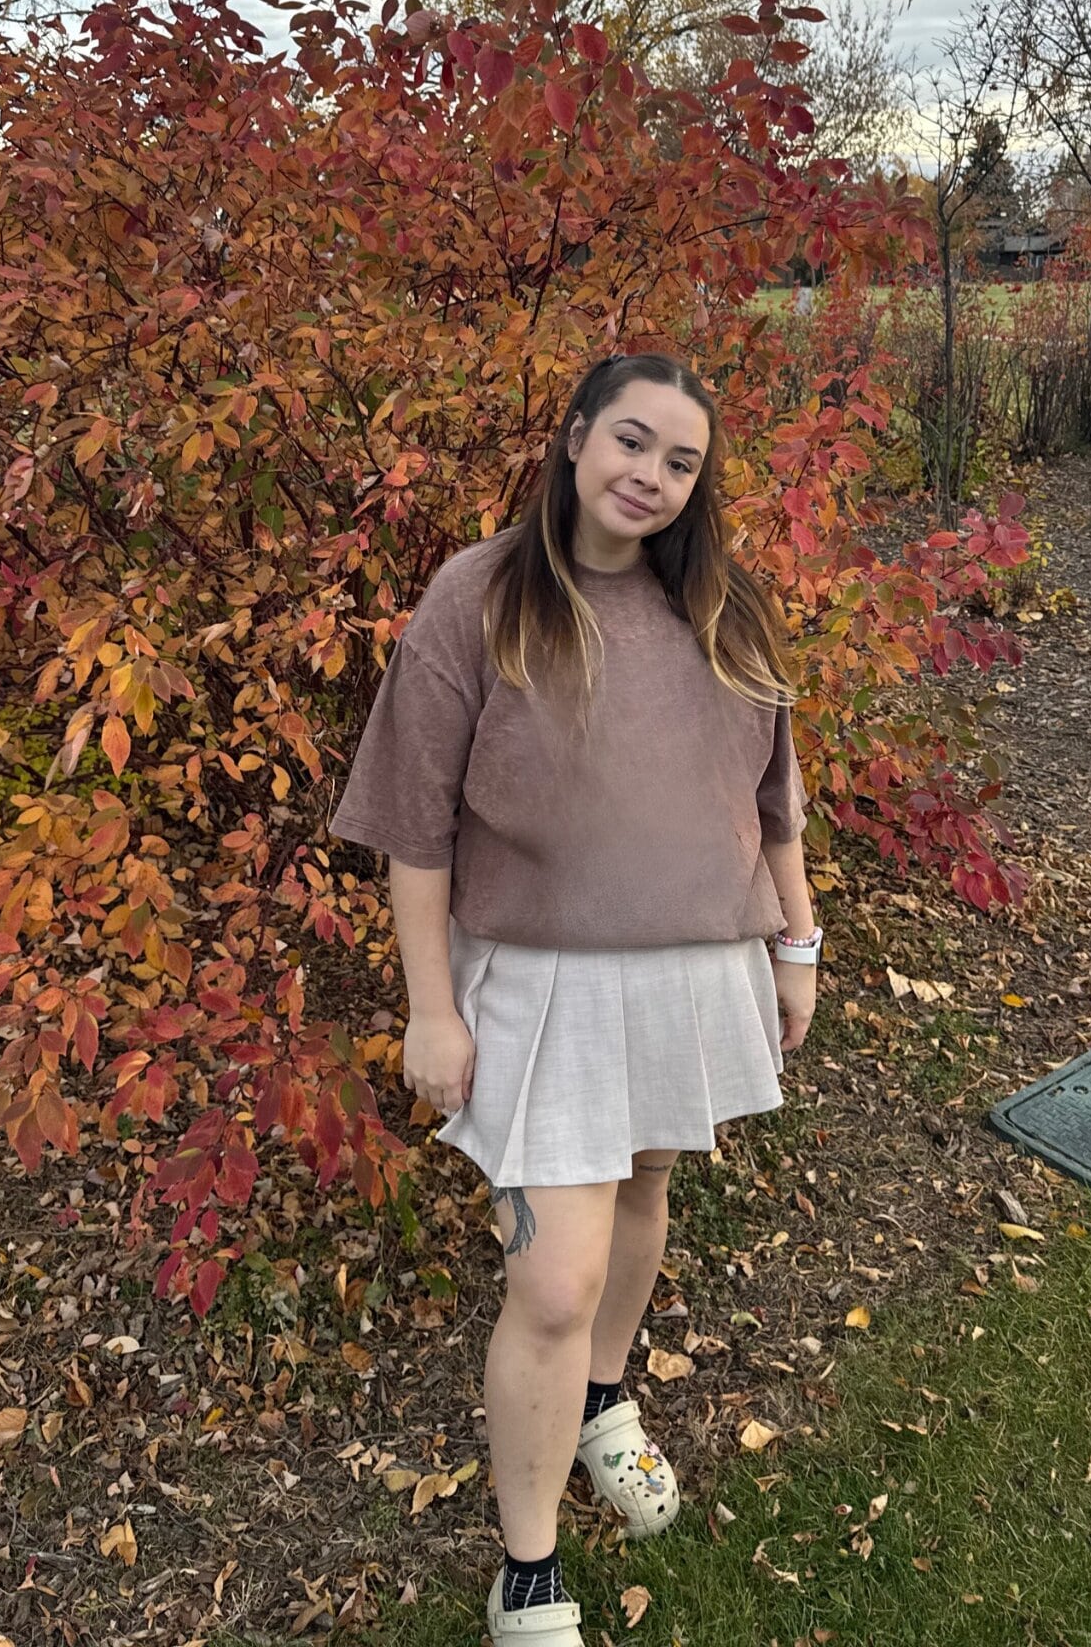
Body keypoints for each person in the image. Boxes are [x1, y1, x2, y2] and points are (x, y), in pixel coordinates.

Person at [329, 350, 823, 1645]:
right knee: (551, 1281)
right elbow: (413, 826)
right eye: (632, 442)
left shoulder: (721, 609)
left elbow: (775, 802)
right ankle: (529, 1565)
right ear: (572, 437)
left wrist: (799, 948)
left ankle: (605, 1399)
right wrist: (430, 1009)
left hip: (698, 967)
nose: (651, 475)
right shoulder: (480, 598)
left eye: (681, 461)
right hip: (539, 985)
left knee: (648, 1188)